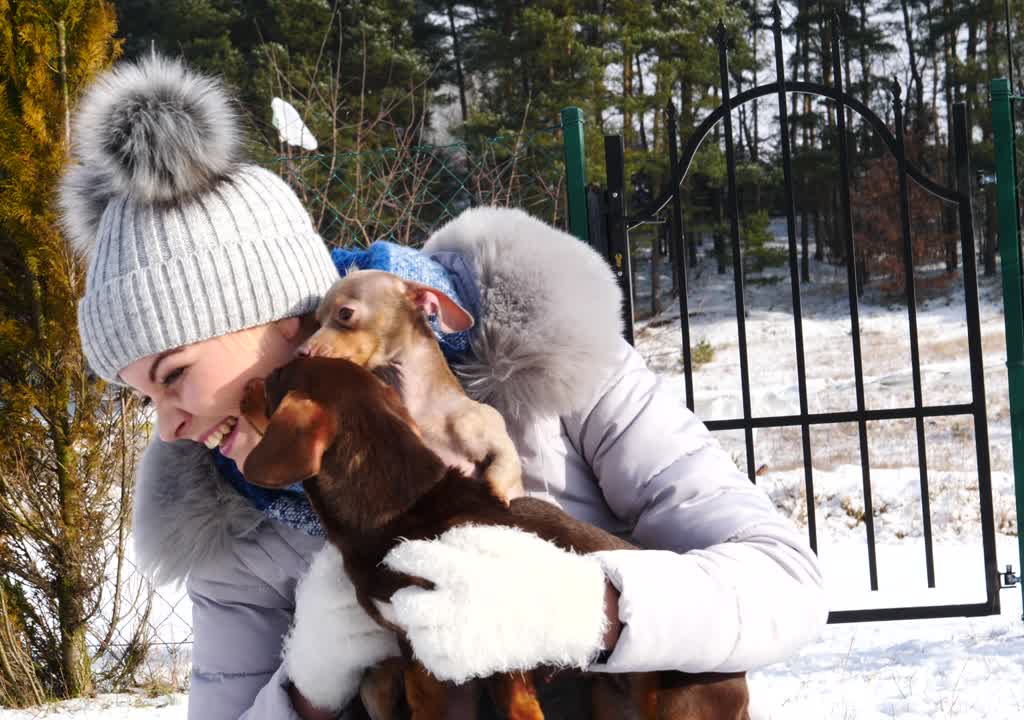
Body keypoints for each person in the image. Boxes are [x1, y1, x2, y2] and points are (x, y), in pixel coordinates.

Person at [57, 54, 827, 720]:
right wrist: (308, 682)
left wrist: (586, 607)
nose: (168, 427)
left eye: (174, 376)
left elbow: (784, 585)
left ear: (279, 321)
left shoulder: (542, 364)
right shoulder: (229, 526)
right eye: (143, 396)